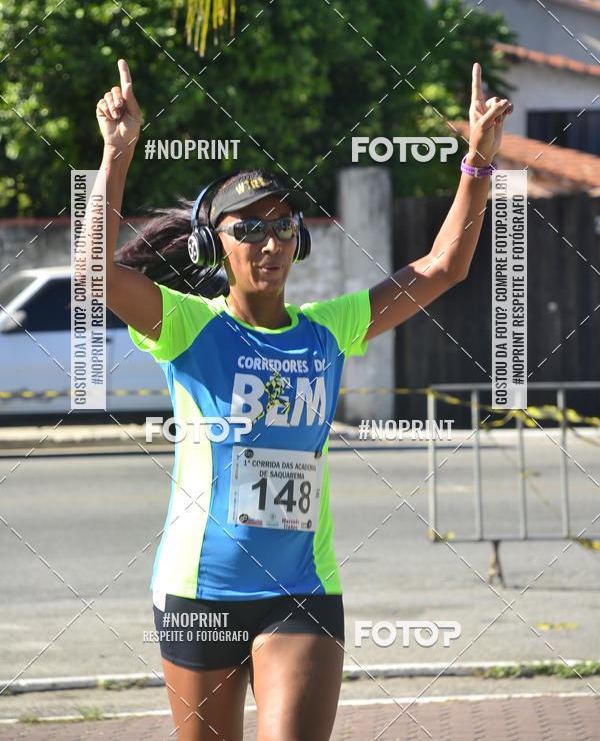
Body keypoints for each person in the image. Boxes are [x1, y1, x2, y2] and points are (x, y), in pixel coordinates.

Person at [96, 58, 513, 741]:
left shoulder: (328, 328)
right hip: (199, 593)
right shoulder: (189, 327)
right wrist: (117, 155)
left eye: (283, 226)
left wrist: (477, 161)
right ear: (213, 244)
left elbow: (444, 267)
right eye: (248, 229)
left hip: (302, 592)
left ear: (302, 239)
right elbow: (98, 276)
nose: (270, 242)